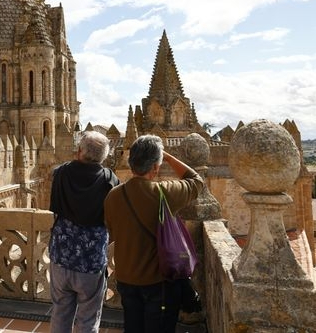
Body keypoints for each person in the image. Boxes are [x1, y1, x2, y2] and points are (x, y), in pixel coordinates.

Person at [103, 134, 204, 333]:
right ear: (155, 167)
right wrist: (167, 157)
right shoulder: (163, 193)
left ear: (131, 163)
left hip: (126, 278)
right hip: (158, 282)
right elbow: (196, 181)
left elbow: (111, 233)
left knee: (133, 327)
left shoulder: (113, 196)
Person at [49, 130, 120, 333]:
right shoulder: (110, 179)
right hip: (91, 261)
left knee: (60, 314)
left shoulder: (61, 173)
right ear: (104, 157)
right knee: (88, 320)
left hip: (61, 256)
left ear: (79, 150)